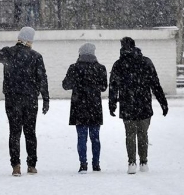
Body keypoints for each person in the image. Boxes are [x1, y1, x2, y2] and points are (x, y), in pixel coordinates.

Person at [0, 26, 50, 177]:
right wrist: (46, 98)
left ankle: (16, 165)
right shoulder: (36, 56)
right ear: (30, 40)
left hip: (12, 98)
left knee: (14, 132)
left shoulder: (8, 52)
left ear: (19, 37)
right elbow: (42, 79)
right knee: (30, 132)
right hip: (30, 99)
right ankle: (32, 165)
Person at [108, 36, 168, 174]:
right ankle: (144, 162)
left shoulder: (119, 64)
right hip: (144, 103)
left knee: (130, 134)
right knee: (143, 134)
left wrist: (112, 104)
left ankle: (131, 162)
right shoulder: (146, 62)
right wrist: (163, 103)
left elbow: (113, 86)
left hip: (127, 104)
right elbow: (155, 84)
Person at [62, 42, 108, 173]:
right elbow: (104, 87)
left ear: (80, 53)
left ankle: (83, 164)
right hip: (95, 106)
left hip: (79, 106)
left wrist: (77, 82)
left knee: (81, 137)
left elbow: (66, 85)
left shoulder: (74, 68)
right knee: (95, 137)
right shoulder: (100, 68)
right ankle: (96, 164)